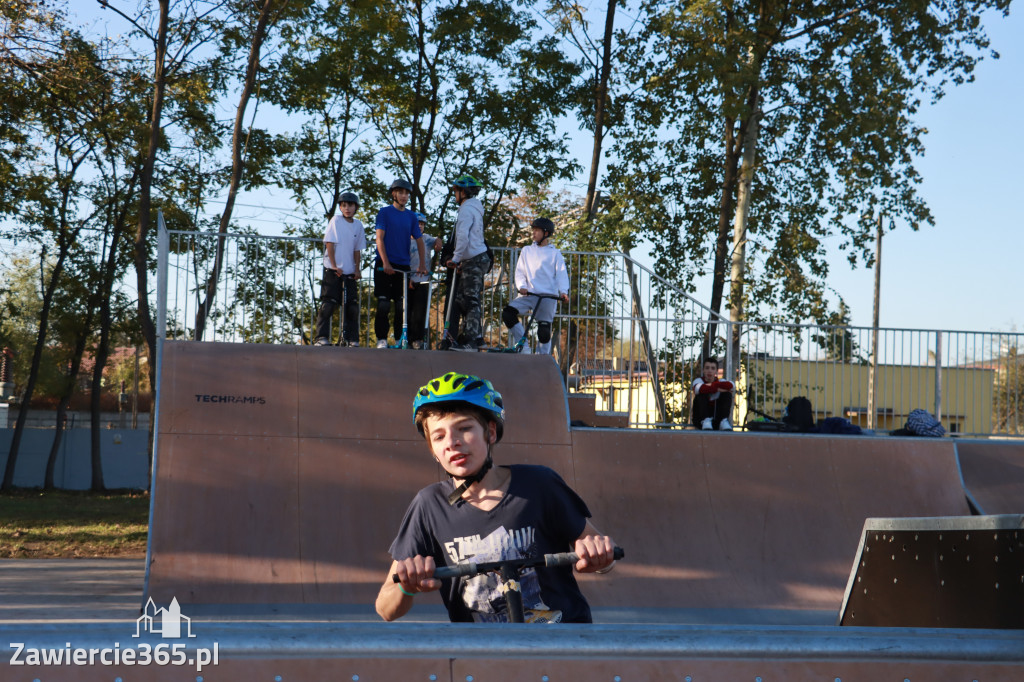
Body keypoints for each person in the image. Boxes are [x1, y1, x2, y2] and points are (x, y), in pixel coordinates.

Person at [376, 372, 617, 623]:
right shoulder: (429, 505)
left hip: (559, 648)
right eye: (438, 436)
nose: (452, 443)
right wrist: (406, 586)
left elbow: (601, 554)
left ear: (490, 432)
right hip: (486, 656)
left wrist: (599, 556)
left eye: (465, 428)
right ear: (434, 451)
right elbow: (385, 609)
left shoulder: (539, 485)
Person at [501, 217, 569, 355]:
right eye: (533, 230)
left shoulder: (555, 254)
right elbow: (520, 271)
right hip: (529, 294)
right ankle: (523, 345)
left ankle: (542, 358)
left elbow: (562, 273)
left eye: (537, 230)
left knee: (544, 332)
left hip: (547, 297)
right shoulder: (526, 251)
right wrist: (521, 286)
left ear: (546, 233)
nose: (533, 233)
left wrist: (563, 291)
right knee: (508, 314)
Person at [375, 179, 427, 349]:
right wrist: (386, 262)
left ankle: (399, 339)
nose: (404, 196)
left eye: (407, 194)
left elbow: (419, 241)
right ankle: (381, 339)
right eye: (401, 193)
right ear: (393, 194)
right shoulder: (384, 212)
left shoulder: (411, 216)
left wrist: (421, 265)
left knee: (400, 306)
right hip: (384, 265)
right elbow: (379, 239)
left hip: (403, 266)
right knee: (383, 304)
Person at [313, 192, 366, 347]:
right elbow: (329, 243)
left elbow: (357, 250)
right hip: (333, 270)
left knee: (352, 307)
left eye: (350, 205)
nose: (347, 208)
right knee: (328, 304)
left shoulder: (358, 225)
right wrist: (334, 265)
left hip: (349, 272)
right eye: (343, 205)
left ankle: (352, 339)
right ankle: (321, 337)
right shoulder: (335, 220)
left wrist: (357, 269)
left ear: (356, 207)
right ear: (340, 208)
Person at [445, 175, 489, 352]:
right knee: (462, 299)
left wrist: (455, 259)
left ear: (463, 192)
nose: (454, 194)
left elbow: (462, 237)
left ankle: (471, 341)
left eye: (456, 191)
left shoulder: (465, 210)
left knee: (470, 300)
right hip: (475, 259)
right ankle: (477, 338)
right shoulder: (475, 209)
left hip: (474, 259)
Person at [408, 213, 442, 350]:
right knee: (407, 310)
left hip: (423, 280)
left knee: (420, 310)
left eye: (422, 224)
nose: (420, 227)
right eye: (417, 224)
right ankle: (406, 339)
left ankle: (417, 339)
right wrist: (408, 278)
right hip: (409, 279)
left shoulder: (426, 238)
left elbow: (437, 241)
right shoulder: (406, 240)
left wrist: (438, 242)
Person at [691, 357, 734, 431]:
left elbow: (732, 386)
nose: (709, 371)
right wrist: (718, 388)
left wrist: (711, 386)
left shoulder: (721, 381)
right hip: (700, 421)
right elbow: (698, 389)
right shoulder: (698, 380)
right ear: (703, 370)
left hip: (716, 419)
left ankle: (723, 421)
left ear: (716, 371)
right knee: (701, 393)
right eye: (707, 368)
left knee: (727, 394)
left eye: (713, 368)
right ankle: (705, 420)